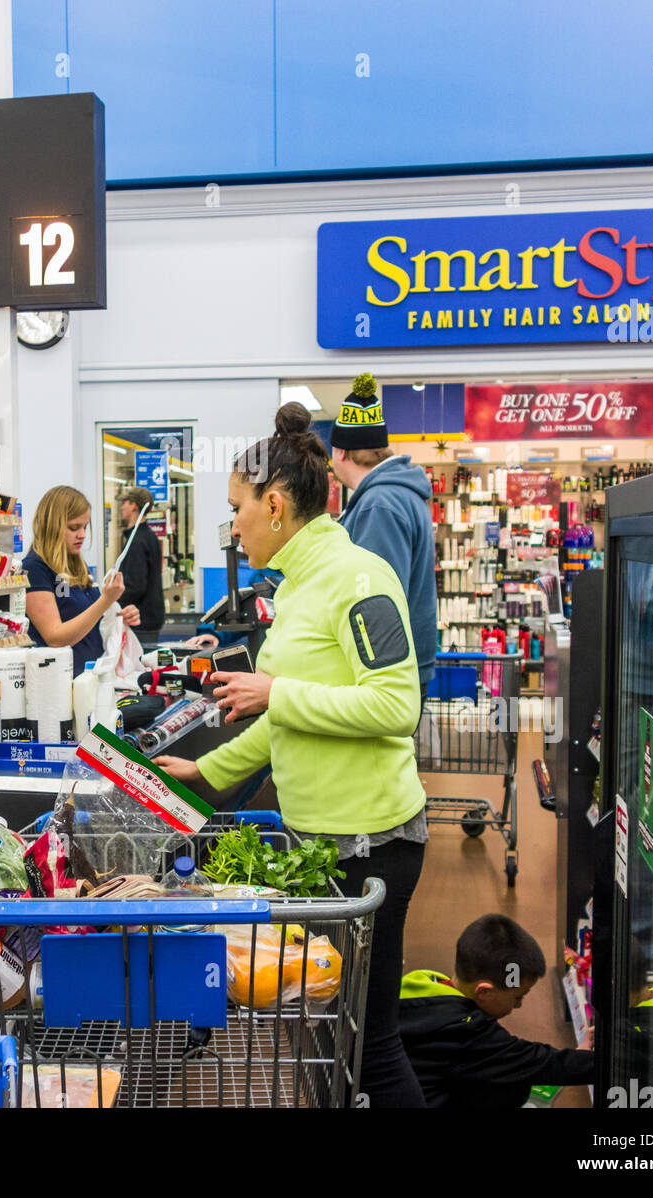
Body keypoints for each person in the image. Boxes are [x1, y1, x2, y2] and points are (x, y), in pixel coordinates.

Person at [155, 402, 427, 1108]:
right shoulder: (300, 583)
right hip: (321, 841)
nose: (232, 525)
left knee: (366, 1041)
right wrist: (208, 772)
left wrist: (278, 688)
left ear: (274, 504)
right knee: (327, 1034)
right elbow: (287, 717)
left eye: (236, 508)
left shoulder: (357, 578)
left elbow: (396, 707)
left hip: (368, 844)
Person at [398, 913, 594, 1108]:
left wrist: (578, 1053)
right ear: (484, 993)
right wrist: (605, 1062)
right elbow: (535, 1062)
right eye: (518, 997)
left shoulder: (420, 983)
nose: (519, 1005)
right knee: (514, 1084)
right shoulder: (467, 1031)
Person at [329, 373, 437, 705]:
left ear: (342, 452)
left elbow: (375, 602)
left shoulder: (379, 505)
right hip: (400, 670)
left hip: (385, 677)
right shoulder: (394, 496)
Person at [23, 485, 140, 671]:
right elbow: (54, 637)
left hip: (92, 675)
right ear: (52, 526)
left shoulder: (77, 566)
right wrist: (105, 601)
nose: (82, 535)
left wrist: (117, 616)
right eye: (74, 527)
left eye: (85, 527)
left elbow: (89, 618)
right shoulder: (34, 569)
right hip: (60, 680)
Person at [116, 485, 165, 648]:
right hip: (150, 616)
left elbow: (136, 585)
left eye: (125, 502)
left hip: (140, 619)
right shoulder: (150, 536)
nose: (122, 506)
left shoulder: (136, 541)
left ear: (134, 506)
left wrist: (110, 602)